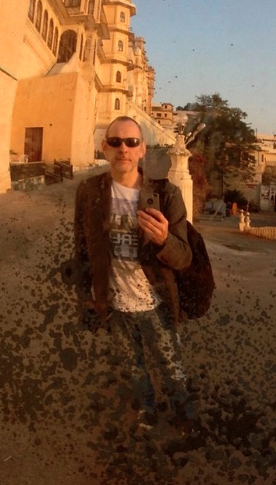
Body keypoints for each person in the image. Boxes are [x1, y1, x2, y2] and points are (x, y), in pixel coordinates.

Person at [74, 116, 194, 432]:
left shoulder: (166, 195)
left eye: (131, 143)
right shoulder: (88, 192)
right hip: (115, 306)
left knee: (171, 367)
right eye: (115, 142)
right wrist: (86, 298)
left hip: (157, 304)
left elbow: (184, 258)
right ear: (104, 148)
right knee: (132, 366)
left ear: (142, 150)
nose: (122, 149)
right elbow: (82, 251)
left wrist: (164, 240)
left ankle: (184, 416)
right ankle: (147, 413)